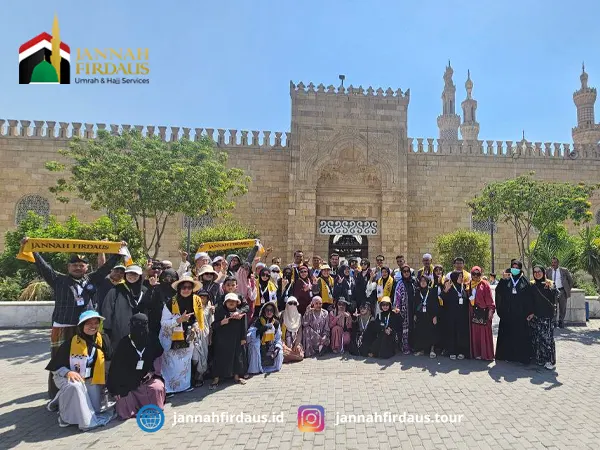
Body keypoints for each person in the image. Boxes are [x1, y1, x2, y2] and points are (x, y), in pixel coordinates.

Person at [21, 236, 126, 399]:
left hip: (86, 326)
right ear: (68, 267)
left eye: (81, 265)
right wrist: (32, 249)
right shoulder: (58, 280)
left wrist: (118, 253)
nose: (78, 267)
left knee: (88, 356)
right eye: (74, 265)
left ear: (86, 267)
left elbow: (106, 268)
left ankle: (89, 390)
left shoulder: (92, 279)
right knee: (59, 360)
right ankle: (57, 394)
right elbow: (43, 267)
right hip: (63, 326)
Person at [45, 311, 114, 431]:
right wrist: (68, 372)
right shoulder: (70, 343)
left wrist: (104, 377)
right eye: (89, 323)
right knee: (75, 387)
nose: (93, 326)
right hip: (68, 376)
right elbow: (56, 366)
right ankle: (65, 417)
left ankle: (60, 399)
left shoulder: (103, 339)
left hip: (92, 379)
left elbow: (109, 359)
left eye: (96, 323)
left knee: (95, 409)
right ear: (81, 326)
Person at [107, 313, 166, 420]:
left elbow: (158, 357)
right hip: (128, 382)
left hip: (148, 379)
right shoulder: (124, 343)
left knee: (156, 388)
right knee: (123, 399)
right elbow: (115, 368)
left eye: (143, 325)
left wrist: (152, 372)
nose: (140, 328)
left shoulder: (152, 339)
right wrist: (115, 389)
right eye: (136, 325)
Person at [158, 275, 204, 395]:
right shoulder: (170, 303)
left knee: (185, 364)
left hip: (188, 337)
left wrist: (195, 326)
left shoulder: (196, 300)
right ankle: (169, 389)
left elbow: (197, 319)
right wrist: (179, 320)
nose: (186, 290)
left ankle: (184, 386)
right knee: (172, 366)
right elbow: (163, 323)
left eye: (189, 287)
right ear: (179, 289)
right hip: (171, 338)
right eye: (183, 287)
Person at [495, 260, 534, 364]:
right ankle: (506, 356)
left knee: (519, 335)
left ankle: (519, 357)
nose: (515, 269)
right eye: (513, 267)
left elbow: (529, 298)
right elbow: (499, 292)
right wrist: (503, 280)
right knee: (507, 335)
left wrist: (529, 312)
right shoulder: (506, 279)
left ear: (520, 269)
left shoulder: (524, 281)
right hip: (507, 313)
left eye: (517, 267)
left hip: (520, 314)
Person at [210, 293, 248, 389]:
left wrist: (243, 338)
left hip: (236, 340)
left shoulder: (240, 313)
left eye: (233, 301)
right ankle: (216, 379)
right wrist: (221, 323)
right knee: (219, 359)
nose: (231, 303)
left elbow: (244, 327)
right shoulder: (219, 312)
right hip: (221, 341)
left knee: (237, 358)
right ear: (225, 302)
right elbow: (213, 326)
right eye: (229, 301)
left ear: (237, 303)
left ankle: (237, 377)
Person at [102, 265, 146, 345]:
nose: (132, 276)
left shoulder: (144, 291)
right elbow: (107, 310)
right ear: (125, 275)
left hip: (140, 330)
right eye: (129, 274)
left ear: (140, 276)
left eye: (135, 274)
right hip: (119, 332)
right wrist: (107, 329)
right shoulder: (116, 290)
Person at [531, 265, 558, 370]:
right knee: (539, 338)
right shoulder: (532, 285)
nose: (537, 273)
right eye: (535, 272)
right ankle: (541, 359)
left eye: (539, 271)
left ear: (543, 272)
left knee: (548, 339)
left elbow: (557, 295)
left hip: (548, 316)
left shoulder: (550, 283)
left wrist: (550, 288)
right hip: (537, 316)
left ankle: (550, 361)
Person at [440, 271, 470, 360]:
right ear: (454, 278)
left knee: (461, 333)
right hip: (451, 316)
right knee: (452, 333)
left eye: (462, 276)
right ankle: (452, 351)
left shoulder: (464, 287)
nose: (461, 278)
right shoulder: (449, 288)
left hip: (462, 316)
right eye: (459, 277)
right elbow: (441, 298)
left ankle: (461, 351)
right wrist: (445, 290)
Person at [468, 266, 495, 361]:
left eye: (478, 274)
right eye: (473, 274)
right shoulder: (469, 284)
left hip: (483, 313)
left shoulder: (485, 284)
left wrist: (491, 311)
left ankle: (486, 354)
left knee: (484, 335)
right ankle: (476, 353)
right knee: (475, 334)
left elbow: (490, 300)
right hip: (473, 313)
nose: (476, 276)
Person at [248, 302, 284, 374]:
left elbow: (278, 338)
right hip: (260, 344)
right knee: (254, 345)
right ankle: (256, 368)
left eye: (271, 310)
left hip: (271, 346)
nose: (269, 312)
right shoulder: (258, 321)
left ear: (274, 312)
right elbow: (251, 335)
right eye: (267, 310)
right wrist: (264, 328)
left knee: (279, 350)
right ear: (264, 311)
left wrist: (277, 348)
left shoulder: (276, 323)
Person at [412, 275, 439, 358]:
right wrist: (415, 314)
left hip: (430, 315)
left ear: (427, 282)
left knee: (431, 332)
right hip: (420, 315)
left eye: (424, 281)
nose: (423, 282)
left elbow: (435, 304)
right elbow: (415, 304)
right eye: (421, 281)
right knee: (421, 332)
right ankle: (422, 349)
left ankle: (432, 350)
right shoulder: (417, 291)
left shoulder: (432, 291)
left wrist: (435, 316)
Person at [192, 290, 214, 386]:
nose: (202, 299)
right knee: (195, 355)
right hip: (194, 333)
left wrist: (210, 337)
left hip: (205, 333)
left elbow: (211, 323)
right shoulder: (193, 306)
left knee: (204, 355)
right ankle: (195, 375)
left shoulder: (209, 308)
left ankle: (199, 377)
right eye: (200, 296)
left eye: (204, 297)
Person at [545, 257, 573, 328]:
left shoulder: (564, 270)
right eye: (552, 262)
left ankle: (561, 321)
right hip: (553, 291)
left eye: (555, 262)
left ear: (558, 263)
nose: (553, 264)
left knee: (562, 307)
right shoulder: (548, 270)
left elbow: (570, 280)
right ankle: (554, 322)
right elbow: (545, 280)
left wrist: (567, 289)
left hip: (562, 291)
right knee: (553, 307)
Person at [280, 296, 304, 362]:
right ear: (287, 304)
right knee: (282, 350)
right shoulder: (282, 315)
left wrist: (297, 344)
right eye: (290, 303)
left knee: (300, 355)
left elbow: (300, 332)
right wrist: (282, 343)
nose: (292, 305)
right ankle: (288, 355)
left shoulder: (299, 316)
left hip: (294, 342)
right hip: (284, 342)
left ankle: (288, 356)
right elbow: (278, 331)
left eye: (294, 303)